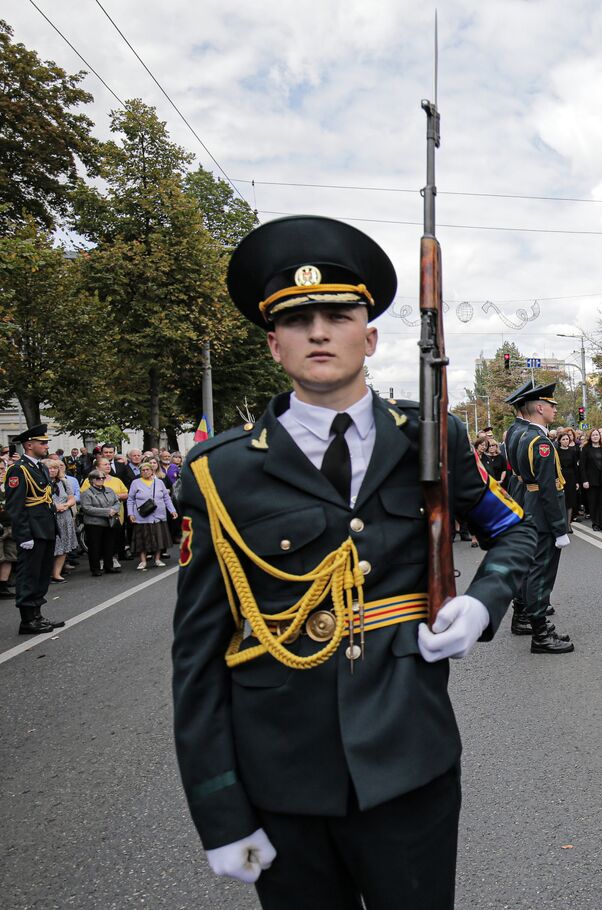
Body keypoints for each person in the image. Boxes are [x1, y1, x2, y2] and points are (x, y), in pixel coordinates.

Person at [171, 215, 536, 909]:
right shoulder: (220, 474)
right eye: (298, 318)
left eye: (337, 314)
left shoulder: (429, 438)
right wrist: (222, 816)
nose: (318, 331)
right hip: (282, 783)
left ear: (368, 337)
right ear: (274, 343)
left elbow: (515, 532)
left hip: (410, 766)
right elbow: (196, 658)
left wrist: (484, 600)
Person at [502, 381, 574, 652]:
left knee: (532, 570)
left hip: (528, 505)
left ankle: (535, 625)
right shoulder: (539, 442)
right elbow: (548, 488)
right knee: (541, 574)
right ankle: (541, 636)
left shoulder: (519, 434)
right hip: (541, 513)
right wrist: (559, 528)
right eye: (552, 405)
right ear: (540, 407)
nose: (555, 409)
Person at [4, 425, 67, 633]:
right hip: (32, 531)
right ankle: (27, 620)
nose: (46, 446)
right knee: (29, 575)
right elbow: (15, 506)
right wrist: (23, 535)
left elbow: (45, 500)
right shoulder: (18, 469)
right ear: (29, 445)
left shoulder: (39, 467)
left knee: (41, 574)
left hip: (45, 528)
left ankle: (38, 615)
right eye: (42, 443)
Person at [127, 460, 176, 569]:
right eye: (142, 470)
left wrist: (172, 510)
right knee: (142, 539)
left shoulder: (159, 482)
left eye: (147, 470)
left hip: (158, 514)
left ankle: (157, 559)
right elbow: (130, 499)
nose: (145, 472)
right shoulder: (136, 483)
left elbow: (166, 498)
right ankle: (143, 561)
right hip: (142, 515)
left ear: (152, 471)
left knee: (158, 537)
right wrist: (130, 513)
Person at [80, 470, 123, 575]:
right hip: (94, 523)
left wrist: (114, 509)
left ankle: (109, 566)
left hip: (109, 522)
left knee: (109, 545)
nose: (101, 480)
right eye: (98, 478)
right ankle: (95, 569)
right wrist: (107, 511)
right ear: (91, 480)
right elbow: (87, 508)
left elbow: (117, 502)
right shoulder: (87, 493)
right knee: (95, 547)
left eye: (103, 478)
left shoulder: (109, 490)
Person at [46, 459, 79, 582]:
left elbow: (71, 498)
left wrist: (66, 505)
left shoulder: (64, 482)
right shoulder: (41, 482)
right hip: (50, 517)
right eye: (50, 468)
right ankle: (47, 574)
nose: (53, 470)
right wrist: (55, 507)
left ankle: (57, 573)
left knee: (64, 546)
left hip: (64, 517)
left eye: (55, 468)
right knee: (51, 547)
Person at [580, 428, 602, 530]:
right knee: (593, 502)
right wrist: (584, 480)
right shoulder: (586, 449)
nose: (595, 436)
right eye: (593, 435)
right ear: (590, 437)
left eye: (597, 435)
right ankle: (595, 523)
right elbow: (582, 466)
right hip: (591, 481)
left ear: (600, 436)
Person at [557, 428, 582, 521]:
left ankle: (569, 523)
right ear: (559, 440)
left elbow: (575, 467)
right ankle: (562, 522)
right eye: (563, 439)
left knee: (571, 500)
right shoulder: (557, 451)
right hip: (561, 476)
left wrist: (577, 481)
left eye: (567, 439)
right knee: (562, 500)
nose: (565, 441)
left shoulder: (572, 451)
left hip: (571, 477)